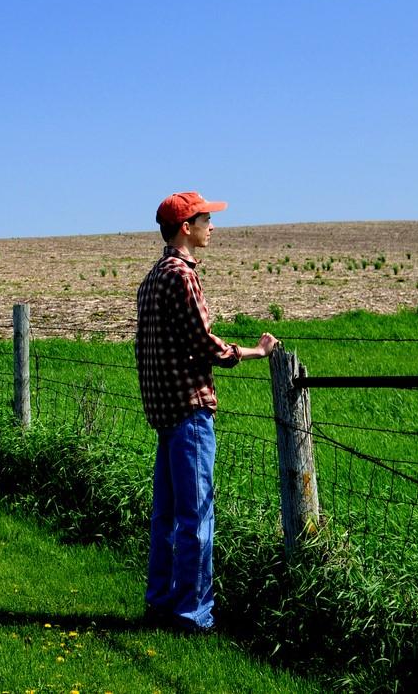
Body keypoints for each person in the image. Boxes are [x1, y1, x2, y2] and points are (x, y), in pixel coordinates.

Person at [135, 191, 278, 634]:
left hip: (163, 412)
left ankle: (161, 601)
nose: (211, 226)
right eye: (205, 219)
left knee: (166, 515)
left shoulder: (152, 277)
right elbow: (204, 341)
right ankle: (193, 614)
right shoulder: (183, 277)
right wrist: (253, 351)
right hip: (191, 411)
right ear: (186, 228)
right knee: (197, 515)